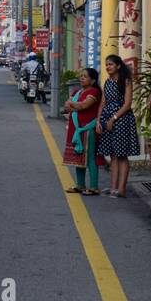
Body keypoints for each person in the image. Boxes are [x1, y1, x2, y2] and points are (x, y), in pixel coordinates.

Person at [96, 55, 139, 198]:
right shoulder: (107, 82)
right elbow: (103, 103)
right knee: (113, 155)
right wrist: (98, 121)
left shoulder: (125, 81)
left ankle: (121, 189)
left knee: (121, 155)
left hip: (122, 120)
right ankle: (113, 187)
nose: (108, 67)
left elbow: (127, 105)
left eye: (110, 64)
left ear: (118, 66)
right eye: (106, 64)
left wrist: (113, 118)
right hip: (108, 120)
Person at [62, 68, 102, 196]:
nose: (81, 78)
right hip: (76, 129)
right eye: (81, 76)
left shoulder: (94, 91)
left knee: (90, 157)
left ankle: (94, 187)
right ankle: (80, 185)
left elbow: (83, 106)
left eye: (85, 76)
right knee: (78, 156)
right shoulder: (78, 91)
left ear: (93, 80)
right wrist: (73, 104)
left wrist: (73, 104)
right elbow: (66, 106)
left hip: (87, 128)